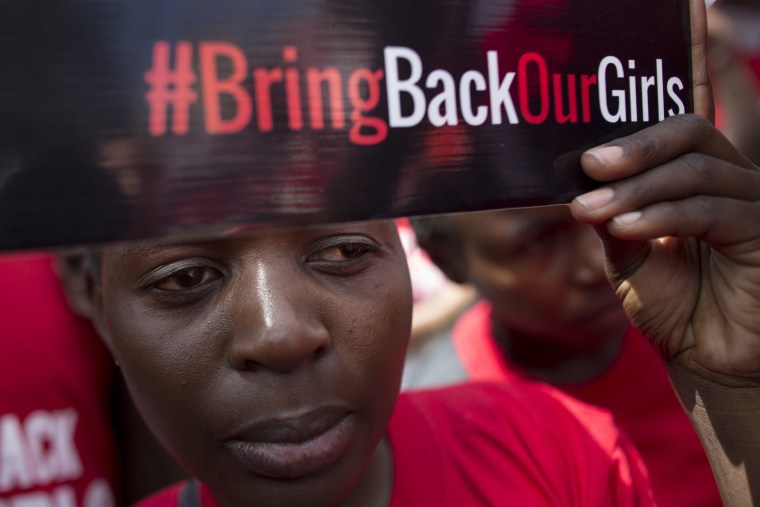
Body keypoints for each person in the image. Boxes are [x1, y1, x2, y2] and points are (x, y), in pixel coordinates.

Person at [80, 2, 760, 506]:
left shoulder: (554, 450)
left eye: (344, 249)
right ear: (92, 297)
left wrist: (733, 389)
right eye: (187, 277)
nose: (281, 332)